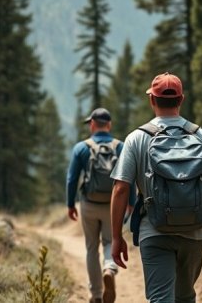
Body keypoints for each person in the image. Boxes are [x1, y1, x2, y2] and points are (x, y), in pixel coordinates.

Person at [109, 72, 202, 302]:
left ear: (152, 100)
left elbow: (120, 189)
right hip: (195, 232)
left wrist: (116, 236)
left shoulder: (136, 138)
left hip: (154, 230)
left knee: (161, 298)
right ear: (181, 100)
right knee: (185, 297)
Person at [66, 107, 136, 303]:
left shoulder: (81, 148)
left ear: (93, 125)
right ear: (109, 125)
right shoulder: (121, 147)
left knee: (90, 248)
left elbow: (72, 179)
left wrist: (70, 204)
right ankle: (110, 268)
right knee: (109, 241)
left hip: (89, 203)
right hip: (114, 204)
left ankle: (96, 295)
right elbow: (129, 178)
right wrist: (130, 203)